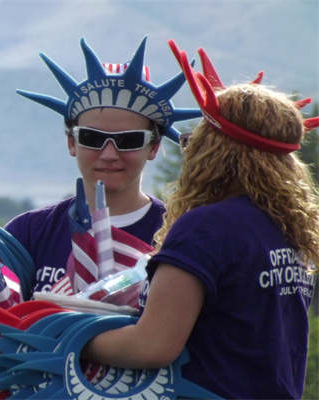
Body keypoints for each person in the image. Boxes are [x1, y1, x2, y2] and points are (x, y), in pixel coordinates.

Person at [83, 40, 319, 399]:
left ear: (214, 151)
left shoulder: (207, 228)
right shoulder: (289, 229)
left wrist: (69, 336)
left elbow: (153, 346)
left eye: (194, 140)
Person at [5, 37, 200, 297]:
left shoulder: (178, 236)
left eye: (129, 140)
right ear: (71, 142)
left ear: (154, 147)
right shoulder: (28, 233)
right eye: (92, 138)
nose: (109, 154)